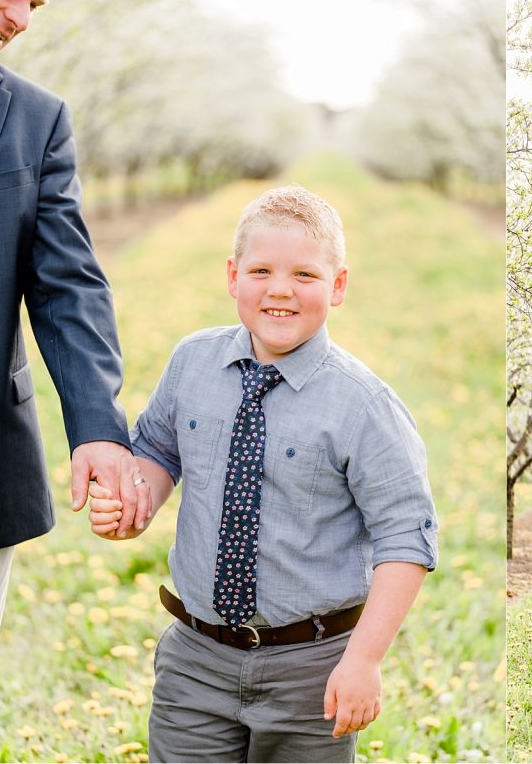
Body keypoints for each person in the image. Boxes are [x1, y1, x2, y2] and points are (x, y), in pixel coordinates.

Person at [87, 186, 438, 763]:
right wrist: (135, 502)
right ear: (232, 277)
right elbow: (157, 449)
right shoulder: (192, 362)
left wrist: (363, 660)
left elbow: (407, 539)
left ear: (339, 286)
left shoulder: (363, 405)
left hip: (311, 668)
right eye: (261, 270)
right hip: (195, 660)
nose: (280, 289)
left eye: (305, 273)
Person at [0, 0, 148, 636]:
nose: (23, 19)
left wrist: (98, 427)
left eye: (35, 2)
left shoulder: (36, 119)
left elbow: (65, 286)